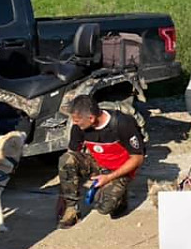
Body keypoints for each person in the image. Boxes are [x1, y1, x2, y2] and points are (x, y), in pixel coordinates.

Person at [56, 94, 145, 228]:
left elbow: (137, 158)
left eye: (77, 120)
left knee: (104, 206)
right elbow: (72, 154)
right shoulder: (79, 126)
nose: (75, 123)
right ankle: (71, 210)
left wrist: (109, 177)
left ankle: (121, 200)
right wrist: (63, 195)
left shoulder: (122, 123)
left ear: (91, 118)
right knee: (66, 159)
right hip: (98, 164)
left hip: (120, 169)